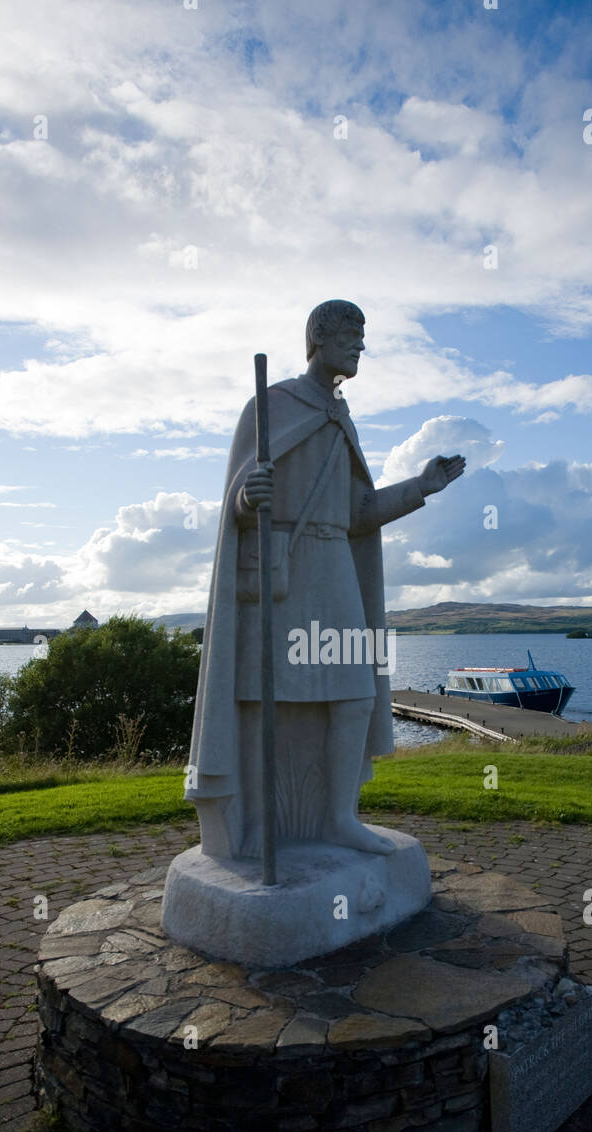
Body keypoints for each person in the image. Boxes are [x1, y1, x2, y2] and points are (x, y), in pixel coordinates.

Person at [185, 299, 465, 860]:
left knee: (355, 693)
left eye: (363, 336)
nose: (360, 345)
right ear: (317, 339)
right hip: (281, 569)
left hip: (335, 564)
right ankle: (259, 821)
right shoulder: (272, 405)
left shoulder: (342, 417)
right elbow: (236, 501)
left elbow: (358, 513)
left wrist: (420, 487)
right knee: (271, 697)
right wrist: (246, 496)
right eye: (350, 335)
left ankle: (338, 819)